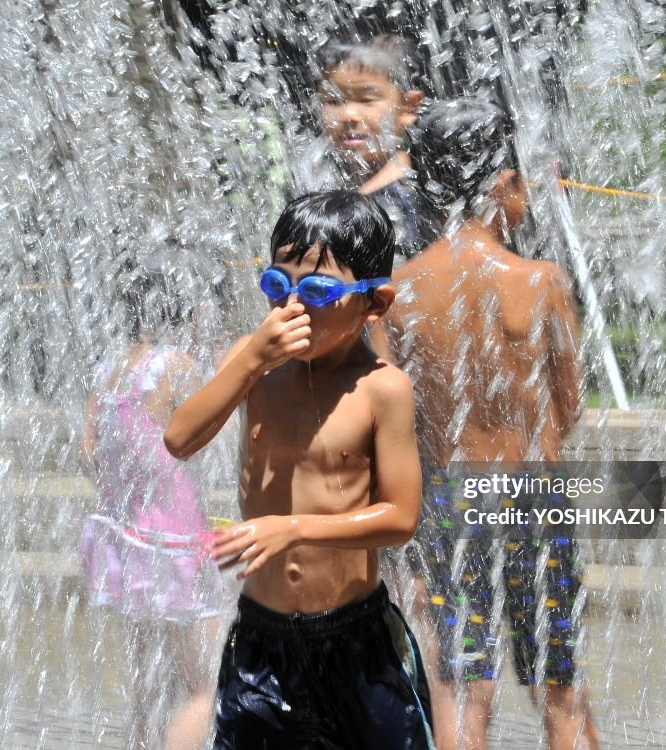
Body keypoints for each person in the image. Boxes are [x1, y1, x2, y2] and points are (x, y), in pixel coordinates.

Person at [163, 190, 435, 749]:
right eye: (277, 286)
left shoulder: (382, 389)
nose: (292, 307)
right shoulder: (255, 363)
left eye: (316, 291)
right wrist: (252, 359)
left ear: (374, 302)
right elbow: (179, 439)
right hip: (262, 641)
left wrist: (292, 527)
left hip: (355, 642)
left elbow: (401, 518)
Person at [375, 99, 598, 750]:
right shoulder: (540, 281)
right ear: (501, 182)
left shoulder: (398, 295)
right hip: (532, 498)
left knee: (465, 690)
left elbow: (398, 423)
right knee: (559, 691)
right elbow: (569, 407)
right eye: (521, 181)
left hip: (448, 507)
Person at [80, 270, 229, 750]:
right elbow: (211, 426)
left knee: (147, 681)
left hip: (123, 537)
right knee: (202, 687)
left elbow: (89, 450)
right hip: (174, 538)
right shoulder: (176, 364)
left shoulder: (108, 368)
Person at [297, 34, 440, 264]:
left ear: (408, 107)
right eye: (333, 101)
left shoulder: (420, 190)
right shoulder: (316, 179)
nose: (349, 116)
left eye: (367, 100)